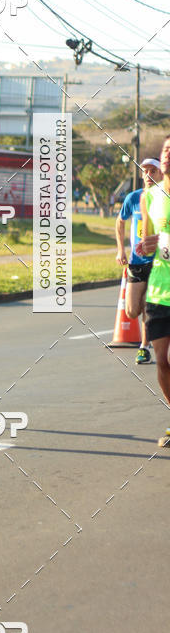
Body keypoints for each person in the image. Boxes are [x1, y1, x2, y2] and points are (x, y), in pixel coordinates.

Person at [139, 137, 170, 447]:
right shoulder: (150, 197)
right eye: (166, 150)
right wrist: (145, 247)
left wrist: (162, 241)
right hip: (160, 290)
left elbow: (164, 241)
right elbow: (150, 243)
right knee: (161, 361)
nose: (168, 155)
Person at [115, 158, 162, 364]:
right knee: (133, 310)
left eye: (153, 170)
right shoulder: (133, 198)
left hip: (159, 263)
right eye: (145, 171)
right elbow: (120, 221)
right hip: (136, 262)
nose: (149, 174)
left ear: (161, 174)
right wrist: (120, 250)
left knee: (148, 306)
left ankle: (144, 347)